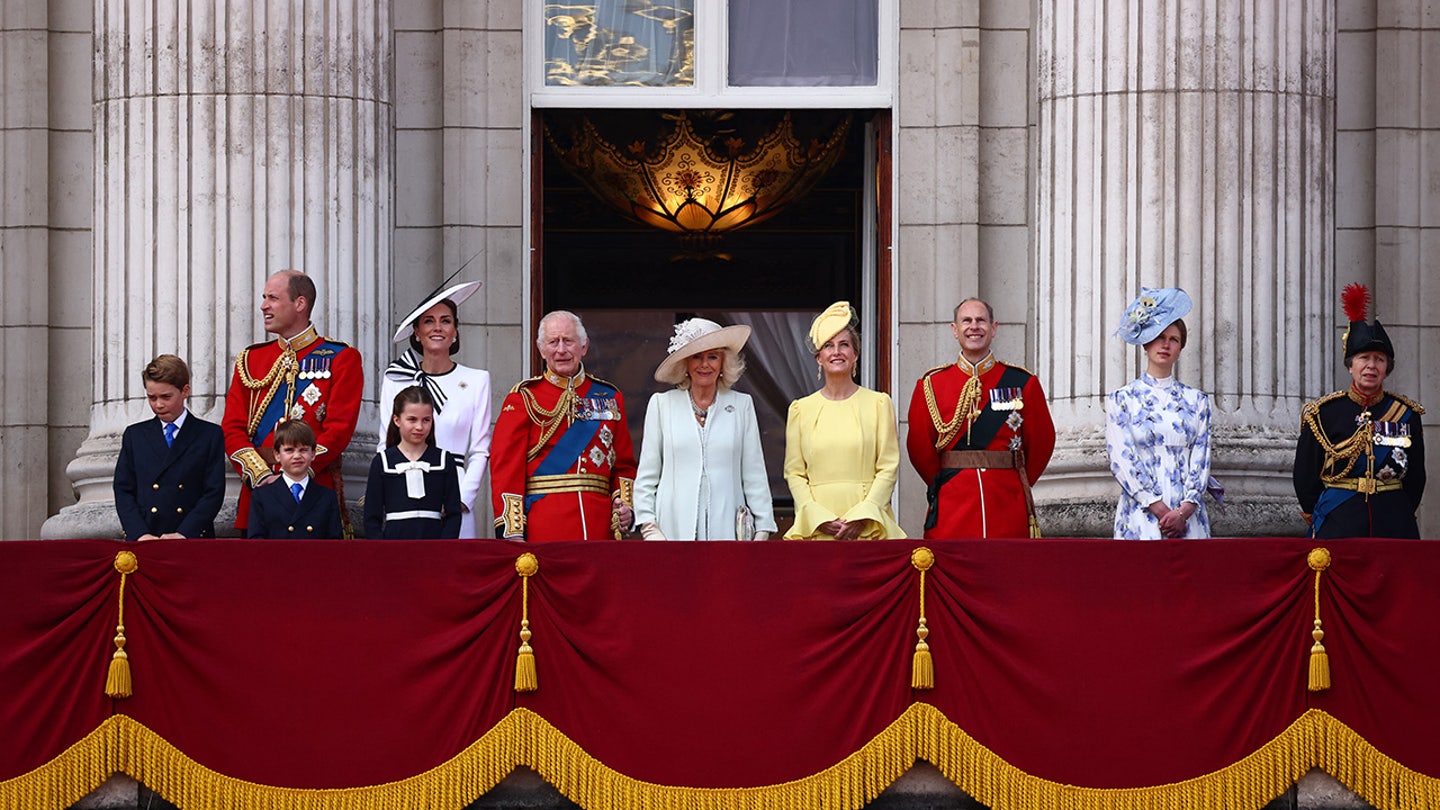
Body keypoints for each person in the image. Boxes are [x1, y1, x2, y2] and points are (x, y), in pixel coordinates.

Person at [222, 270, 363, 536]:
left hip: (313, 494)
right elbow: (232, 428)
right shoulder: (251, 360)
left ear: (300, 304)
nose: (264, 305)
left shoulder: (341, 358)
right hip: (258, 495)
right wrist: (262, 476)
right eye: (264, 298)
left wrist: (296, 473)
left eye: (273, 298)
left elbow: (339, 429)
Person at [906, 298, 1055, 538]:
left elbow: (1042, 443)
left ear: (993, 328)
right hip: (952, 507)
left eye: (981, 320)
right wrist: (944, 484)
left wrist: (1016, 483)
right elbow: (920, 449)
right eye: (966, 320)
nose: (974, 326)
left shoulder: (1023, 383)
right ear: (955, 330)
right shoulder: (931, 385)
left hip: (1007, 503)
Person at [490, 311, 637, 541]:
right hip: (544, 527)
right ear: (541, 349)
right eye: (553, 342)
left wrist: (625, 507)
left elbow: (624, 465)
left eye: (568, 341)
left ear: (584, 346)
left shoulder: (610, 397)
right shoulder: (524, 397)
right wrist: (513, 531)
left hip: (599, 528)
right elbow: (506, 469)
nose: (561, 350)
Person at [1295, 283, 1426, 538]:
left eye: (1379, 359)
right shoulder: (1323, 412)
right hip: (1338, 519)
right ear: (1350, 367)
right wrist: (1323, 513)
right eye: (1364, 358)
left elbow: (1416, 478)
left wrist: (1399, 510)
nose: (1371, 366)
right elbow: (1305, 475)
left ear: (1387, 368)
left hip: (1393, 520)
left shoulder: (1405, 413)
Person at [634, 317, 776, 540]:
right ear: (685, 364)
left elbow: (754, 474)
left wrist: (762, 529)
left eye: (712, 357)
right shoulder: (662, 405)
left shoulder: (741, 405)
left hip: (728, 531)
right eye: (696, 357)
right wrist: (649, 527)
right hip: (671, 532)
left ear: (723, 363)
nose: (704, 364)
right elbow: (647, 476)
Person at [378, 279, 492, 537]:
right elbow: (385, 443)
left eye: (446, 320)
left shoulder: (477, 380)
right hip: (405, 489)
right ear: (416, 331)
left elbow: (480, 450)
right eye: (429, 321)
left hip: (455, 489)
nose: (437, 327)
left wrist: (462, 499)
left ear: (455, 331)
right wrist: (394, 493)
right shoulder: (396, 379)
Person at [783, 302, 904, 540]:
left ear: (855, 355)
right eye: (828, 345)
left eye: (844, 345)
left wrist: (864, 514)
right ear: (819, 357)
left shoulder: (879, 404)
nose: (836, 352)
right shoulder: (800, 409)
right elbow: (795, 472)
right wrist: (817, 517)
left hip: (869, 525)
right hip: (817, 526)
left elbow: (888, 467)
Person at [1105, 288, 1212, 539]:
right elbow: (1121, 459)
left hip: (1188, 516)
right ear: (1146, 342)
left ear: (1180, 347)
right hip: (1140, 514)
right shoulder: (1123, 399)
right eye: (1159, 336)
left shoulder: (1197, 401)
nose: (1165, 344)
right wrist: (1160, 508)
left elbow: (1201, 458)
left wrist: (1183, 511)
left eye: (1173, 339)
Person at [113, 354, 227, 540]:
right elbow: (123, 490)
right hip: (146, 538)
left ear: (185, 391)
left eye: (166, 397)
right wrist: (140, 533)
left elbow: (213, 492)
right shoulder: (135, 436)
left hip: (192, 539)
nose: (158, 405)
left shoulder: (209, 435)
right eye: (152, 397)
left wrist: (184, 534)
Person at [364, 386, 464, 539]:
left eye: (426, 420)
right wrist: (381, 551)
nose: (419, 427)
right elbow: (371, 517)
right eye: (412, 419)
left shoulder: (444, 460)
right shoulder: (383, 462)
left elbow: (454, 514)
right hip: (394, 549)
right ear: (397, 420)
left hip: (434, 548)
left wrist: (445, 548)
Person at [246, 420, 345, 539]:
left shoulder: (327, 497)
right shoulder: (262, 496)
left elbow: (334, 545)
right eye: (289, 450)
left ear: (313, 454)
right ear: (277, 455)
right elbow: (256, 542)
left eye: (303, 450)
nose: (297, 456)